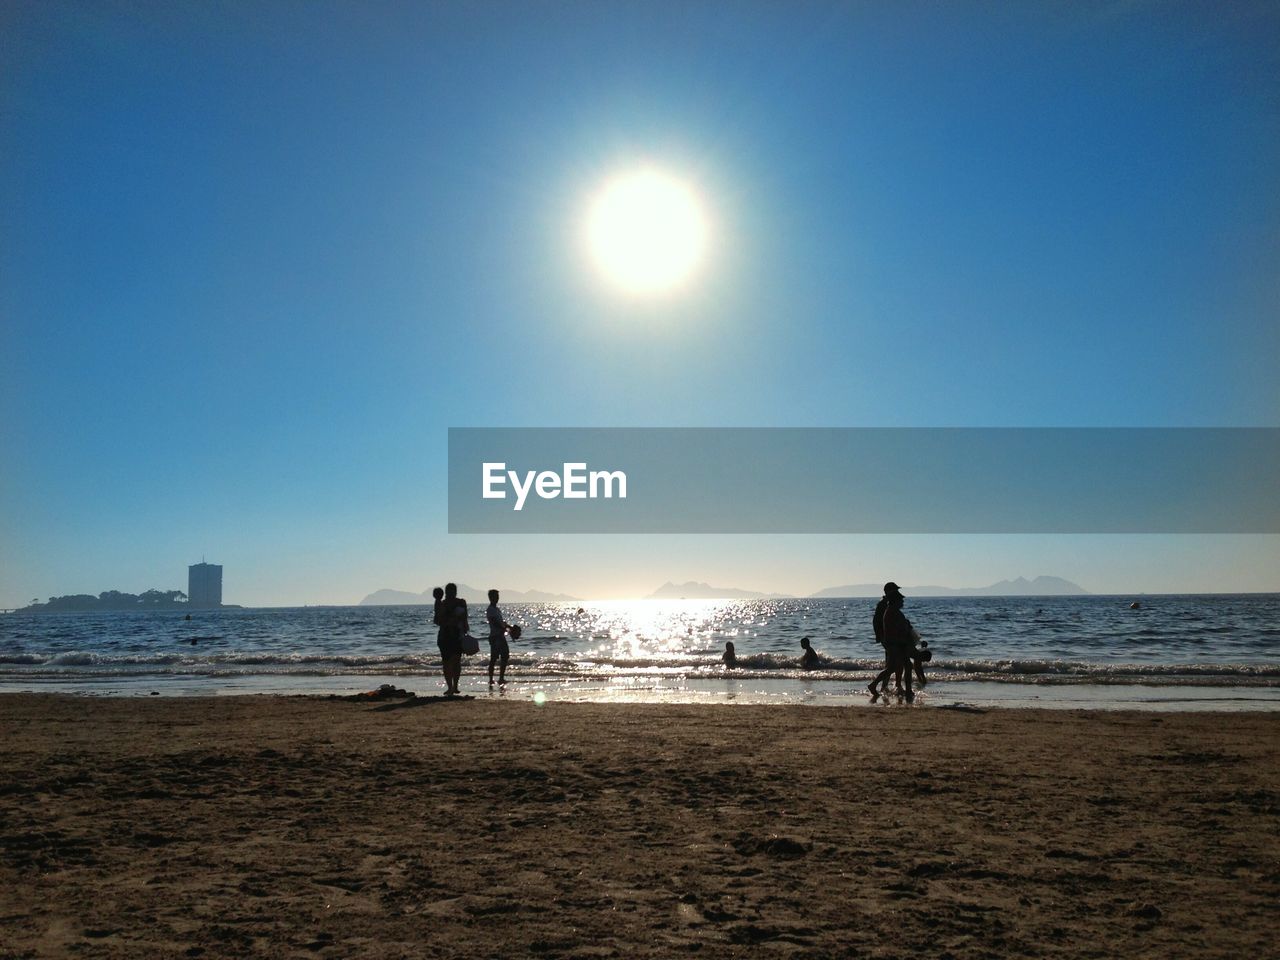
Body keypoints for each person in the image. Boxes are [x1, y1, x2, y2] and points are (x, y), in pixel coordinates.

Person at [869, 582, 919, 702]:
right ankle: (891, 687)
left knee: (894, 666)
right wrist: (882, 638)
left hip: (895, 642)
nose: (902, 602)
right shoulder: (886, 607)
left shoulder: (892, 608)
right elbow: (879, 623)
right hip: (892, 642)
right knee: (895, 666)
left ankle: (896, 686)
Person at [485, 589, 510, 687]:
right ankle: (491, 679)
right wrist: (504, 628)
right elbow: (494, 622)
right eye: (495, 596)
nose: (497, 598)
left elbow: (501, 622)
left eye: (497, 596)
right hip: (495, 637)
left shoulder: (496, 609)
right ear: (491, 598)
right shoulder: (490, 609)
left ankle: (501, 678)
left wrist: (509, 627)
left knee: (505, 656)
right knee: (494, 658)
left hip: (500, 636)